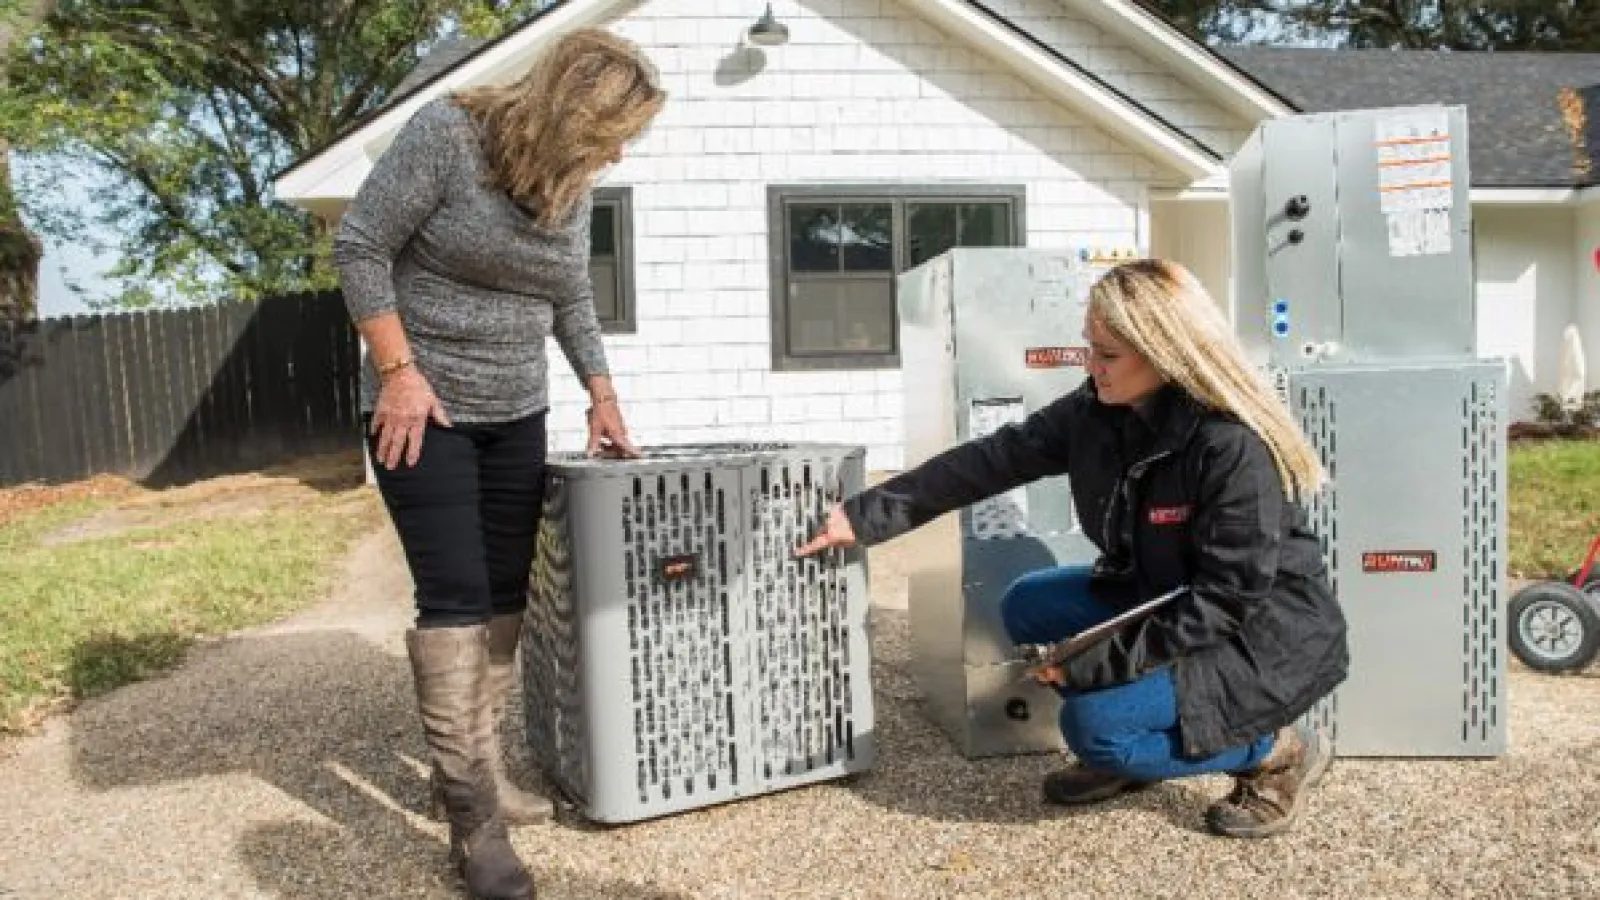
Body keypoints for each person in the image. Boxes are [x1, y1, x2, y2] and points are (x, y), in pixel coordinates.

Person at [797, 259, 1348, 839]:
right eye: (1090, 346)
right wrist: (863, 517)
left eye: (1108, 355)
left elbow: (1226, 598)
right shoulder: (1097, 411)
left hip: (1256, 631)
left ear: (1165, 353)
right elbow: (994, 459)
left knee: (1094, 729)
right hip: (1163, 591)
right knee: (1024, 604)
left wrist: (1094, 663)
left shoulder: (1229, 446)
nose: (1091, 366)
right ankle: (1136, 747)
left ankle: (1276, 749)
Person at [332, 28, 665, 899]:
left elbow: (569, 292)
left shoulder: (569, 181)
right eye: (611, 132)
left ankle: (482, 775)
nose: (619, 152)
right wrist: (398, 373)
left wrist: (601, 391)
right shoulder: (446, 135)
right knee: (454, 598)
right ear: (566, 109)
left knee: (506, 599)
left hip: (517, 407)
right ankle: (473, 823)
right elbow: (360, 245)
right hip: (423, 407)